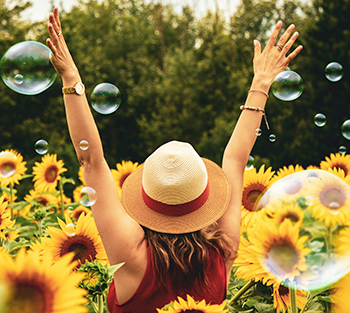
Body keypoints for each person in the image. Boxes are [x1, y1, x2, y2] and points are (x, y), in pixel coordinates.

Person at [46, 7, 302, 312]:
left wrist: (71, 78)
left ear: (147, 197)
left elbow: (91, 160)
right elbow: (235, 159)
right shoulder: (223, 250)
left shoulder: (131, 255)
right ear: (204, 198)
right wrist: (260, 83)